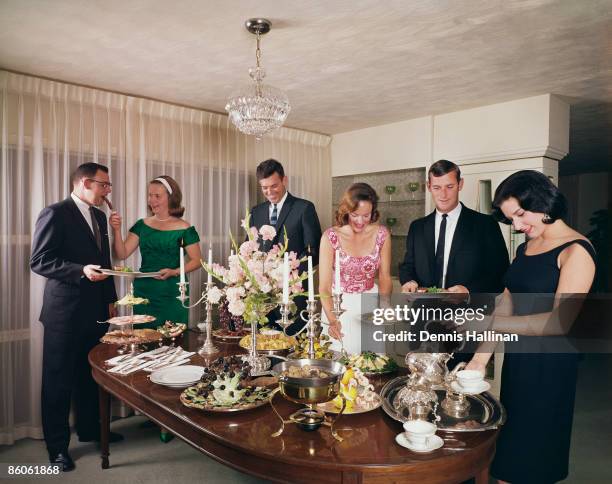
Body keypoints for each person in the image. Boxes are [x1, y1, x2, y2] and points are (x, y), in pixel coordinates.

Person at [465, 170, 596, 484]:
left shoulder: (576, 251)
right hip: (520, 360)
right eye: (511, 219)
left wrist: (490, 322)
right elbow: (506, 301)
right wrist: (478, 361)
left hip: (550, 368)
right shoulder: (527, 246)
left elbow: (559, 322)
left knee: (532, 460)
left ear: (544, 201)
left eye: (521, 214)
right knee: (509, 456)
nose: (517, 225)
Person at [30, 162, 122, 472]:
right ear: (85, 183)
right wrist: (79, 271)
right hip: (64, 314)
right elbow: (39, 260)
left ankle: (90, 429)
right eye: (103, 185)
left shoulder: (98, 216)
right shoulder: (55, 212)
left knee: (90, 375)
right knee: (58, 382)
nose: (107, 191)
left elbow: (104, 261)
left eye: (108, 186)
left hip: (96, 310)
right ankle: (57, 448)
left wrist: (111, 300)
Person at [398, 159, 509, 365]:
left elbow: (501, 273)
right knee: (424, 388)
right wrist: (408, 281)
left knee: (462, 388)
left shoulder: (485, 225)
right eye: (437, 187)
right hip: (423, 322)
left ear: (460, 184)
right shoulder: (417, 227)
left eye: (449, 186)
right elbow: (408, 265)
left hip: (466, 322)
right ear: (428, 187)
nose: (443, 194)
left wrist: (468, 290)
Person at [110, 175, 201, 329]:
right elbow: (122, 253)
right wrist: (117, 230)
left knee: (173, 338)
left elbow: (197, 260)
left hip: (173, 292)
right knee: (144, 338)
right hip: (144, 291)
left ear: (171, 198)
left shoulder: (184, 228)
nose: (151, 200)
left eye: (157, 196)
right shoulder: (141, 225)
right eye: (150, 195)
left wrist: (174, 271)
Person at [249, 159, 322, 331]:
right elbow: (250, 247)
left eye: (274, 186)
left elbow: (315, 251)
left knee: (293, 344)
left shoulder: (304, 208)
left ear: (285, 180)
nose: (269, 192)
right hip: (263, 293)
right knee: (264, 342)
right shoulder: (256, 211)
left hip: (294, 293)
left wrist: (287, 272)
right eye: (264, 188)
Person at [319, 183, 392, 354]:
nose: (360, 221)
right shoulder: (330, 237)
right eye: (355, 215)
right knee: (340, 367)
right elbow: (324, 286)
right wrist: (332, 320)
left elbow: (385, 277)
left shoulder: (382, 234)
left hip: (369, 305)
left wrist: (385, 304)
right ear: (346, 211)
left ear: (373, 212)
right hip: (338, 306)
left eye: (366, 216)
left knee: (373, 364)